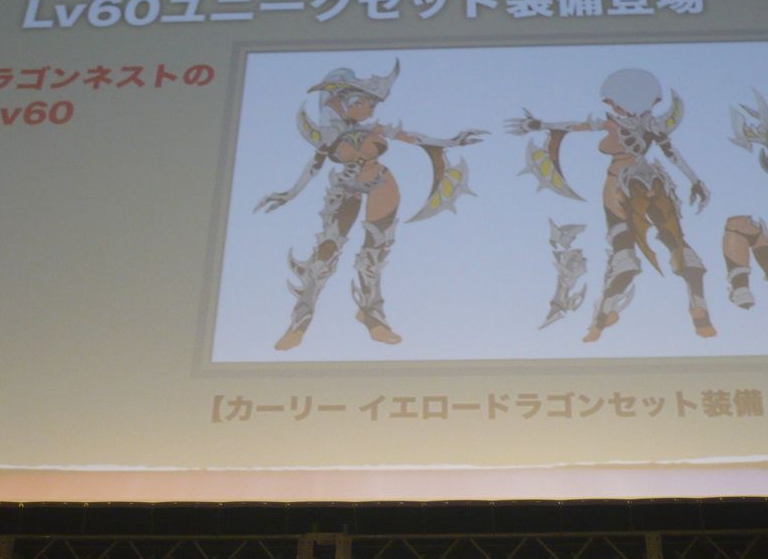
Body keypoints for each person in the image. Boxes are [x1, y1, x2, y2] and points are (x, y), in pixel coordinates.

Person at [256, 60, 484, 350]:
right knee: (326, 252)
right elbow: (314, 166)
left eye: (374, 104)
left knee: (374, 255)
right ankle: (300, 320)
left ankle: (372, 315)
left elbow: (413, 138)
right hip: (346, 188)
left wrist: (452, 141)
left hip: (382, 185)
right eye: (368, 103)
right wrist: (290, 193)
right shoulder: (330, 134)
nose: (372, 110)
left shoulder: (371, 129)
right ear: (348, 100)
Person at [507, 68, 715, 341]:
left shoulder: (614, 123)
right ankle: (699, 309)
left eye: (615, 101)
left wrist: (540, 124)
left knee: (623, 253)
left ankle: (602, 317)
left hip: (620, 182)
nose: (612, 106)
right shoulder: (654, 125)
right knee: (677, 243)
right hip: (652, 178)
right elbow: (671, 154)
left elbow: (575, 126)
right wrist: (695, 180)